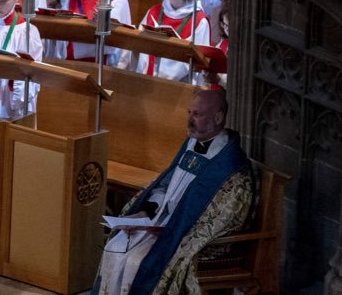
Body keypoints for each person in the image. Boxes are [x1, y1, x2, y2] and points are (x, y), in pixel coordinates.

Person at [96, 89, 253, 294]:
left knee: (137, 263)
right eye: (188, 113)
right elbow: (167, 186)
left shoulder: (229, 164)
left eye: (197, 114)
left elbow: (226, 217)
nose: (189, 120)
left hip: (188, 237)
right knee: (115, 248)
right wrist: (148, 212)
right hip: (162, 224)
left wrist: (171, 227)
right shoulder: (191, 143)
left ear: (218, 117)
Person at [136, 0, 213, 84]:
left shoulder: (198, 21)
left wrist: (162, 75)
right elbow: (138, 45)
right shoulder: (154, 12)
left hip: (179, 86)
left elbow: (197, 62)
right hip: (145, 81)